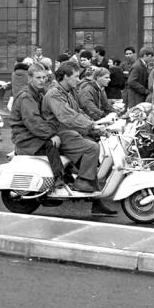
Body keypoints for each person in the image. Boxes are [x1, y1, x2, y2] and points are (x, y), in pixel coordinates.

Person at [42, 60, 117, 216]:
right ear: (64, 77)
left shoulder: (67, 92)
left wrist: (97, 125)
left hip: (69, 131)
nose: (78, 79)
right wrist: (92, 126)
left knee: (93, 152)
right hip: (58, 133)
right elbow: (67, 116)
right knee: (92, 147)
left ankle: (95, 202)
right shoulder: (54, 93)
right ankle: (82, 183)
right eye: (75, 76)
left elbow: (78, 112)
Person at [9, 63, 65, 188]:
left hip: (30, 131)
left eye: (44, 77)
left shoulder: (38, 93)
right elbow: (33, 120)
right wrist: (51, 134)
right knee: (52, 144)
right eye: (38, 78)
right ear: (30, 79)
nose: (42, 80)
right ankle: (58, 177)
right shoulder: (26, 96)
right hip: (24, 135)